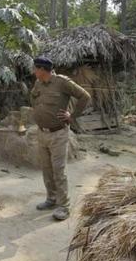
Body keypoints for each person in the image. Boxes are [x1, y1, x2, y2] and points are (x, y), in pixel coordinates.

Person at [30, 57, 91, 220]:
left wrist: (73, 116)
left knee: (58, 170)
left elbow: (85, 96)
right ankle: (51, 199)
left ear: (42, 69)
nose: (33, 71)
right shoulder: (38, 83)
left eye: (35, 69)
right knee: (47, 168)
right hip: (42, 132)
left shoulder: (62, 82)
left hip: (58, 133)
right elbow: (34, 99)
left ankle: (63, 206)